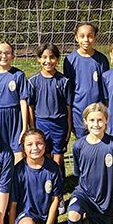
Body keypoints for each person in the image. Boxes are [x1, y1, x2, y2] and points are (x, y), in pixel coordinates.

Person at [28, 42, 72, 214]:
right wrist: (32, 127)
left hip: (59, 124)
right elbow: (30, 106)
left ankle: (58, 196)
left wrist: (68, 127)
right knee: (44, 159)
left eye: (52, 57)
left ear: (57, 59)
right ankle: (45, 193)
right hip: (41, 124)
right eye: (44, 57)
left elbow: (68, 107)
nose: (48, 61)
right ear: (39, 59)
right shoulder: (33, 81)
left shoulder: (64, 81)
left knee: (57, 160)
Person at [9, 129, 63, 224]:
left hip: (45, 218)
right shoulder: (18, 171)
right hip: (27, 217)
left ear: (45, 145)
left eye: (39, 143)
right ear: (23, 148)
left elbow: (55, 200)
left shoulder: (53, 168)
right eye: (29, 144)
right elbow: (13, 206)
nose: (35, 148)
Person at [64, 22, 109, 138]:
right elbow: (69, 89)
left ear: (95, 37)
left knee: (99, 140)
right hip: (78, 110)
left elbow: (105, 88)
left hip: (98, 110)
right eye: (82, 36)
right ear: (76, 37)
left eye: (90, 36)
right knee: (82, 142)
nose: (86, 39)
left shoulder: (102, 60)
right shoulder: (70, 60)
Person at [0, 41, 28, 164]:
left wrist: (24, 127)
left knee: (18, 154)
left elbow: (23, 101)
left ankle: (18, 182)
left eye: (7, 53)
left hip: (15, 118)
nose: (3, 56)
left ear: (13, 56)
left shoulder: (18, 75)